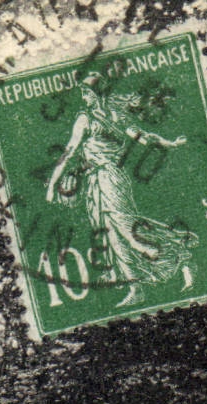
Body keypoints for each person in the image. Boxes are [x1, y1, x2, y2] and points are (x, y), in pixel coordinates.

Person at [45, 74, 196, 308]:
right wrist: (54, 182)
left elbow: (142, 138)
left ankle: (180, 252)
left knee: (128, 231)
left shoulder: (98, 117)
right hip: (97, 180)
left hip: (111, 178)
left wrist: (170, 143)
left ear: (96, 94)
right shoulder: (100, 116)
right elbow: (71, 151)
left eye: (86, 92)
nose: (84, 97)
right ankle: (136, 289)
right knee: (113, 236)